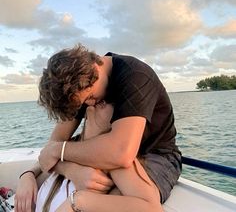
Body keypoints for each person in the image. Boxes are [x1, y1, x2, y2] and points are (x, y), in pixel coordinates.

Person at [16, 43, 181, 211]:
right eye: (84, 103)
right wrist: (70, 171)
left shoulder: (135, 77)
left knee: (112, 201)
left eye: (92, 97)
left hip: (155, 154)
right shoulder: (80, 89)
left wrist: (76, 199)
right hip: (111, 148)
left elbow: (120, 153)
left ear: (95, 67)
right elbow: (53, 146)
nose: (89, 106)